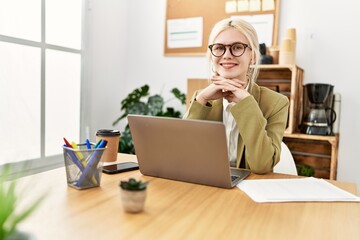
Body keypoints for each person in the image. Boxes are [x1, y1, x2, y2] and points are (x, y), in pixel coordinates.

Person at [183, 18, 289, 174]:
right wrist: (201, 100)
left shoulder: (276, 103)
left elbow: (262, 166)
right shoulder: (202, 98)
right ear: (212, 55)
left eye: (237, 47)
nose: (226, 55)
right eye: (219, 48)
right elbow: (183, 155)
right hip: (208, 185)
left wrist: (247, 104)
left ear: (252, 56)